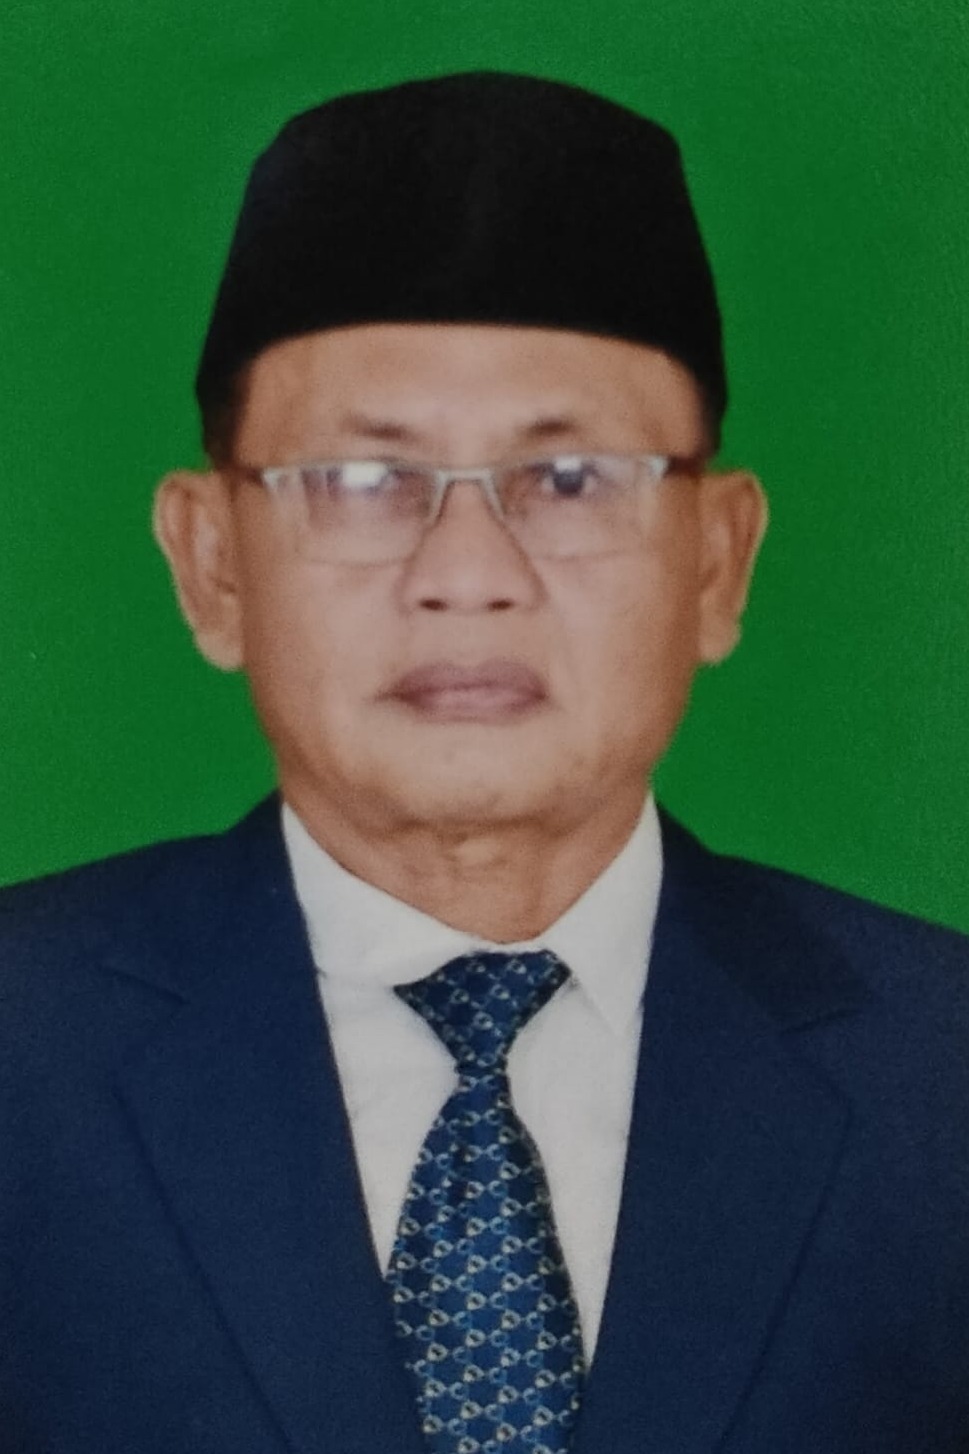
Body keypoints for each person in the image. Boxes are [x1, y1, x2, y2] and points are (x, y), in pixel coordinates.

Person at [1, 71, 967, 1454]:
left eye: (569, 480)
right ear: (211, 562)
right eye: (360, 480)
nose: (467, 574)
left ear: (718, 558)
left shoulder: (944, 1076)